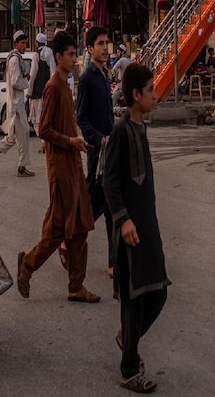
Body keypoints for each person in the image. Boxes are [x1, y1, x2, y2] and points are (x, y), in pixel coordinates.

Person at [16, 31, 101, 304]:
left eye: (76, 54)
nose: (75, 59)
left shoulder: (66, 86)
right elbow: (44, 130)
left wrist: (78, 143)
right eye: (71, 54)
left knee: (80, 227)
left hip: (73, 164)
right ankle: (28, 264)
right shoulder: (53, 87)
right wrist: (70, 141)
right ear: (59, 56)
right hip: (59, 167)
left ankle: (76, 286)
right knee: (58, 230)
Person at [103, 62, 170, 394]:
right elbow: (109, 181)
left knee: (159, 291)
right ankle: (129, 368)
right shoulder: (120, 131)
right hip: (130, 229)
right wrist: (123, 219)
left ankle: (126, 339)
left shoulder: (140, 128)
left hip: (148, 227)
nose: (155, 96)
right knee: (134, 298)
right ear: (135, 95)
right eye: (150, 91)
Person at [76, 25, 115, 277]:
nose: (104, 48)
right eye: (100, 44)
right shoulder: (88, 78)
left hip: (109, 152)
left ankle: (113, 261)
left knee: (110, 207)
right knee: (92, 208)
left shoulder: (104, 75)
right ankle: (68, 241)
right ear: (90, 49)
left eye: (106, 43)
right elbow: (81, 117)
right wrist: (99, 139)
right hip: (96, 152)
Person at [0, 30, 33, 177]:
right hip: (16, 105)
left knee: (15, 137)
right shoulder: (14, 59)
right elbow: (15, 82)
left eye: (25, 43)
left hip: (17, 103)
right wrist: (26, 80)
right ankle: (21, 167)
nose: (24, 46)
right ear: (16, 44)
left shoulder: (17, 58)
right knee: (24, 134)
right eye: (22, 43)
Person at [26, 32, 56, 152]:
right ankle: (45, 142)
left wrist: (29, 90)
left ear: (37, 43)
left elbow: (32, 75)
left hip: (38, 92)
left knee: (36, 119)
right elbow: (53, 70)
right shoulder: (49, 53)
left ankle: (44, 141)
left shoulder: (36, 56)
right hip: (47, 91)